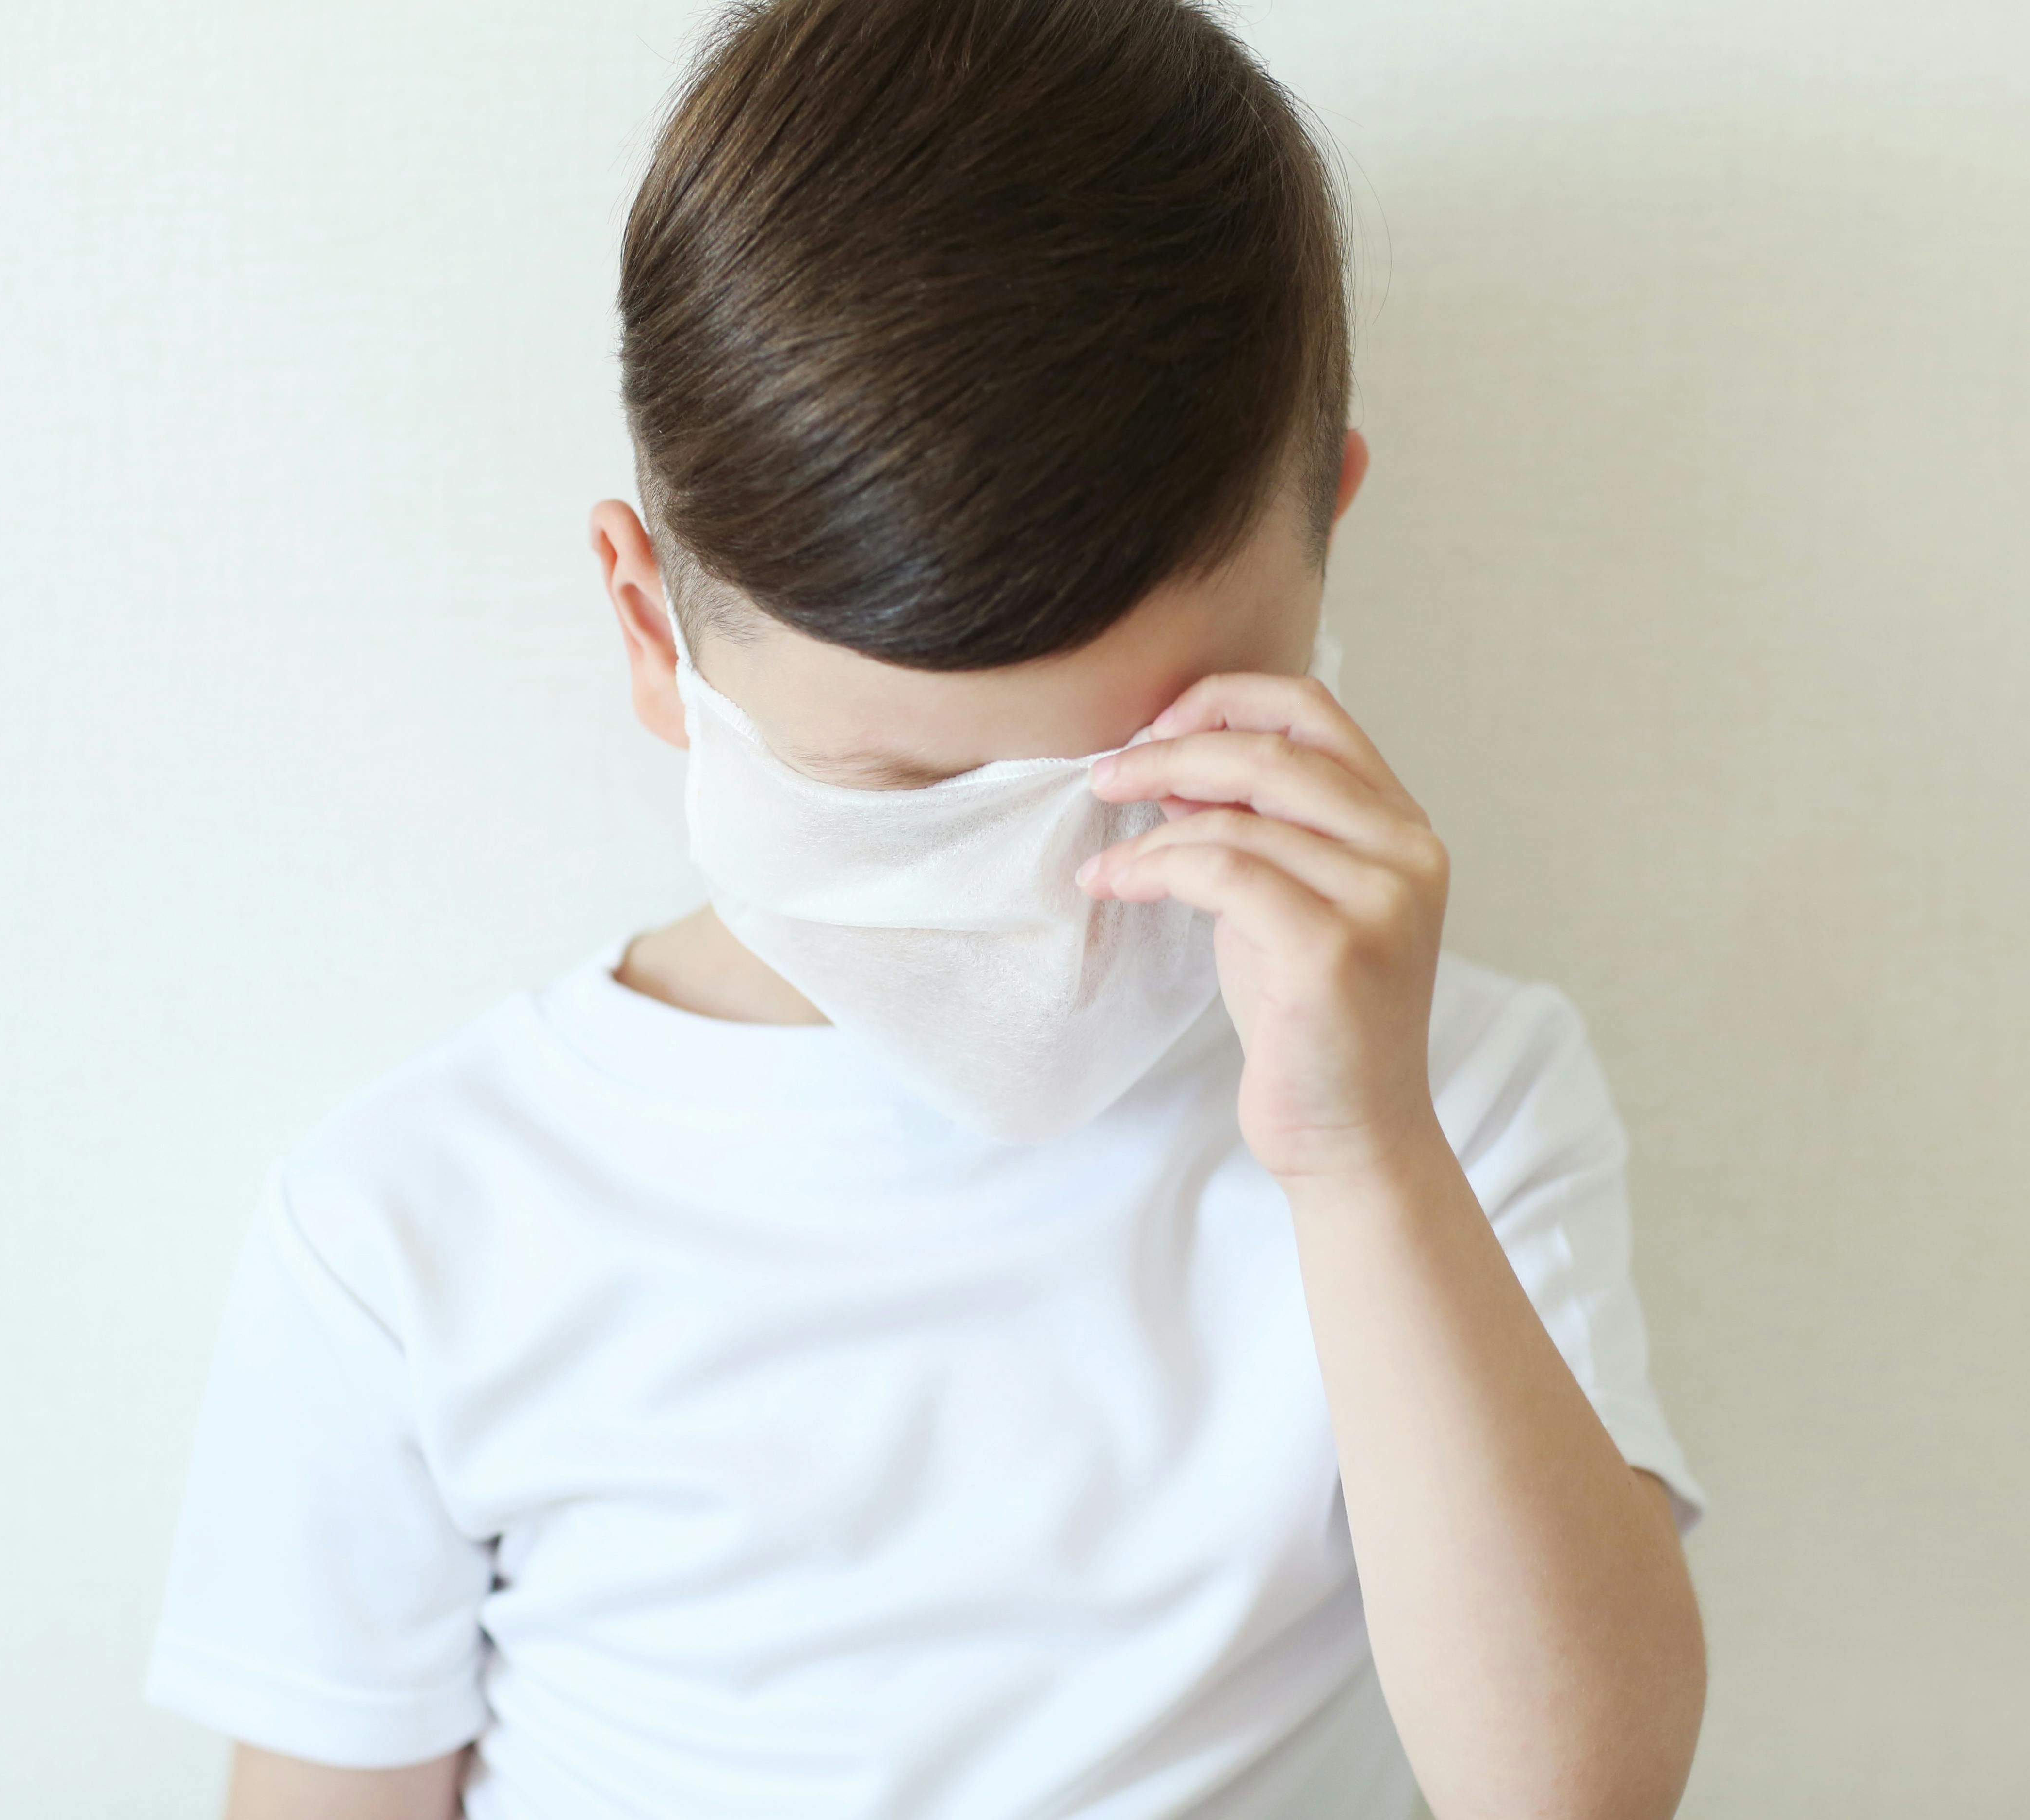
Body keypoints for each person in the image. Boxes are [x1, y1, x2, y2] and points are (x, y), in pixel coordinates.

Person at [142, 2, 1709, 1816]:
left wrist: (1364, 1157)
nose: (1048, 890)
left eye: (1155, 765)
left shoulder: (1450, 1104)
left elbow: (1577, 1792)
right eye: (902, 796)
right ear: (653, 633)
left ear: (1325, 541)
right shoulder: (415, 1227)